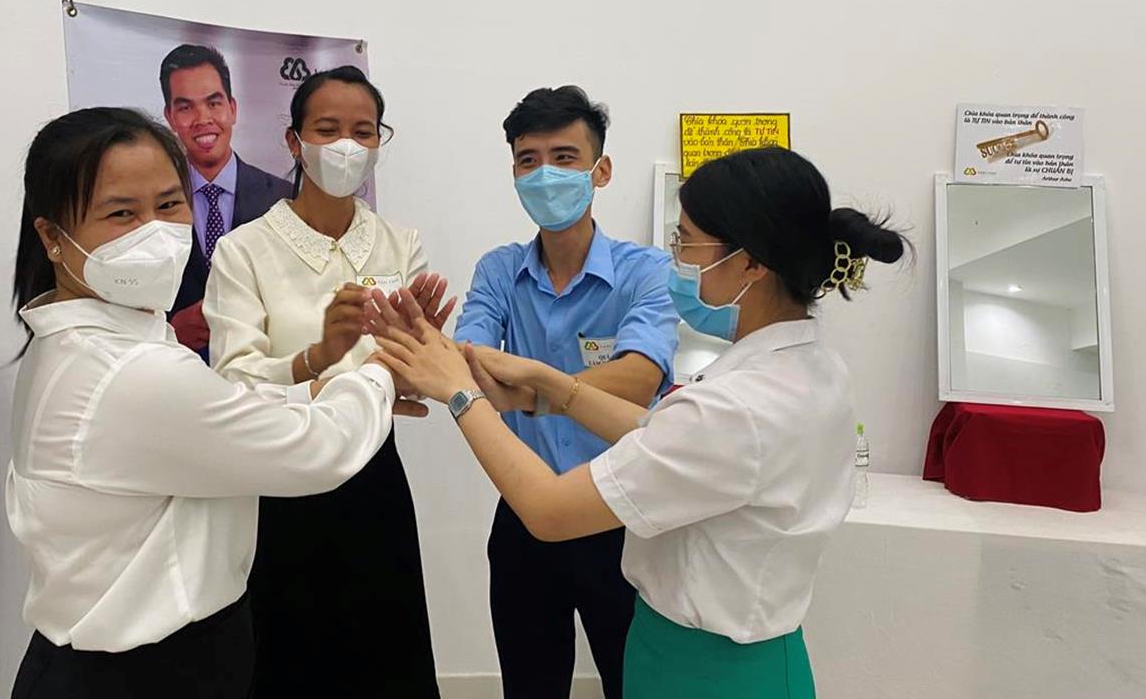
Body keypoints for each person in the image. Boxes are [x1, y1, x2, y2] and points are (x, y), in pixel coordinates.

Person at [372, 146, 910, 699]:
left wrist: (460, 393)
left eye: (687, 243)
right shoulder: (809, 368)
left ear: (751, 262)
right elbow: (665, 433)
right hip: (748, 652)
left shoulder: (736, 407)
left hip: (705, 671)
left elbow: (550, 510)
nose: (677, 260)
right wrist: (545, 386)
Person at [5, 106, 413, 699]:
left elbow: (222, 408)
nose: (155, 232)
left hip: (147, 654)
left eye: (170, 204)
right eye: (122, 213)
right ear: (51, 236)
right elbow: (313, 449)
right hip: (144, 671)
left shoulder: (101, 342)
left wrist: (321, 382)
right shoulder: (130, 369)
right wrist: (382, 370)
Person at [205, 66, 448, 698]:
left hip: (374, 475)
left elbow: (412, 367)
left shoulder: (399, 243)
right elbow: (232, 385)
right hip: (279, 482)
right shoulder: (244, 251)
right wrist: (319, 359)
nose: (346, 146)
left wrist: (422, 360)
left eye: (363, 132)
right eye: (327, 129)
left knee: (387, 657)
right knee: (287, 661)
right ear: (294, 141)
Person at [450, 86, 678, 699]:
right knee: (530, 685)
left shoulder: (645, 271)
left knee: (634, 684)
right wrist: (512, 380)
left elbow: (640, 380)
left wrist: (528, 389)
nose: (545, 174)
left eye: (564, 157)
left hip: (623, 515)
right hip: (525, 512)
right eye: (528, 160)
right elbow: (469, 368)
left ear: (601, 171)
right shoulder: (500, 270)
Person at [159, 43, 293, 354]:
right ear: (170, 117)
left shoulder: (284, 200)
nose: (202, 118)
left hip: (266, 367)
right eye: (185, 107)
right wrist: (168, 331)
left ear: (232, 108)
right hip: (177, 370)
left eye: (213, 103)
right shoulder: (151, 206)